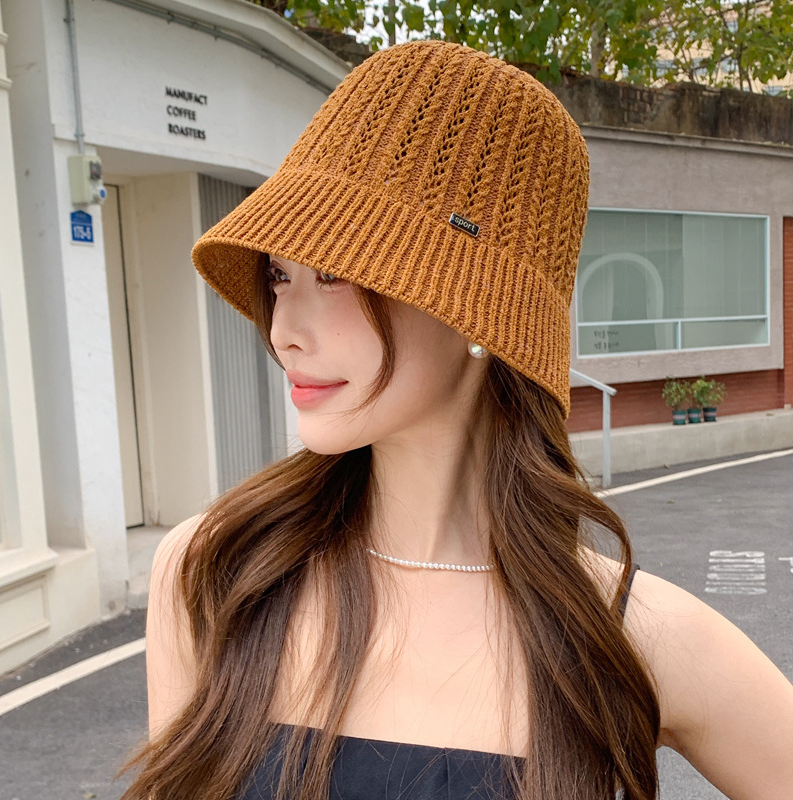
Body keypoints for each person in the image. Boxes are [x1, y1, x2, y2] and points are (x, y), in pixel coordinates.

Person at [120, 40, 793, 800]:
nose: (283, 330)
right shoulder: (215, 572)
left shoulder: (631, 635)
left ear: (476, 308)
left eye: (333, 273)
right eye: (279, 275)